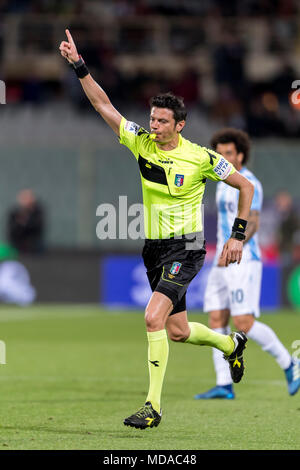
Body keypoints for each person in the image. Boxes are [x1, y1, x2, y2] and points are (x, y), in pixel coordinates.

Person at [59, 30, 255, 430]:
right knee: (178, 331)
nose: (154, 124)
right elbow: (103, 105)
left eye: (162, 120)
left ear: (179, 125)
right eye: (152, 117)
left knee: (152, 319)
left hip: (187, 248)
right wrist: (80, 67)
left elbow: (245, 186)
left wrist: (236, 235)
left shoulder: (201, 158)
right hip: (153, 249)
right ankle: (230, 344)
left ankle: (153, 407)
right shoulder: (141, 142)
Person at [194, 128, 300, 400]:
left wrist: (235, 240)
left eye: (228, 153)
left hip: (243, 260)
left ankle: (290, 364)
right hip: (221, 261)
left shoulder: (250, 182)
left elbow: (253, 221)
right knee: (216, 318)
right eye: (219, 154)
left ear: (240, 154)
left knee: (244, 322)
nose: (224, 158)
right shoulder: (221, 183)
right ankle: (223, 384)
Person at [7, 189, 45, 254]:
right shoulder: (14, 212)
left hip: (33, 244)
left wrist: (25, 222)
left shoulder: (38, 212)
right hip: (17, 243)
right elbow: (12, 229)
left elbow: (37, 227)